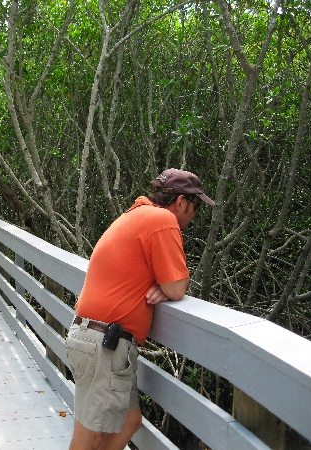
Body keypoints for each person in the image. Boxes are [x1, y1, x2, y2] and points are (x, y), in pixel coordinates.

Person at [66, 168, 215, 450]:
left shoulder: (136, 215)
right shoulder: (162, 219)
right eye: (195, 207)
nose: (195, 215)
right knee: (90, 437)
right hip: (105, 345)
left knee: (129, 421)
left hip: (94, 338)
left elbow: (168, 283)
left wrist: (166, 281)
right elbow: (176, 288)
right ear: (181, 201)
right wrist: (169, 282)